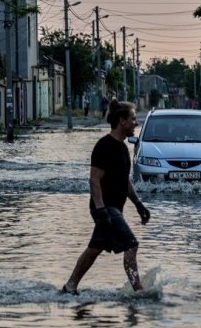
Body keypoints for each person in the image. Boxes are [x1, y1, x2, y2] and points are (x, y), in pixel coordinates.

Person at [62, 99, 152, 294]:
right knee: (131, 244)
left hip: (113, 208)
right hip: (105, 208)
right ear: (122, 121)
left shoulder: (122, 148)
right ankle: (138, 290)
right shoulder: (104, 146)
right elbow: (94, 180)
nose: (135, 123)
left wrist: (138, 204)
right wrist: (102, 211)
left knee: (95, 247)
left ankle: (70, 286)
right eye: (133, 119)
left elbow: (125, 180)